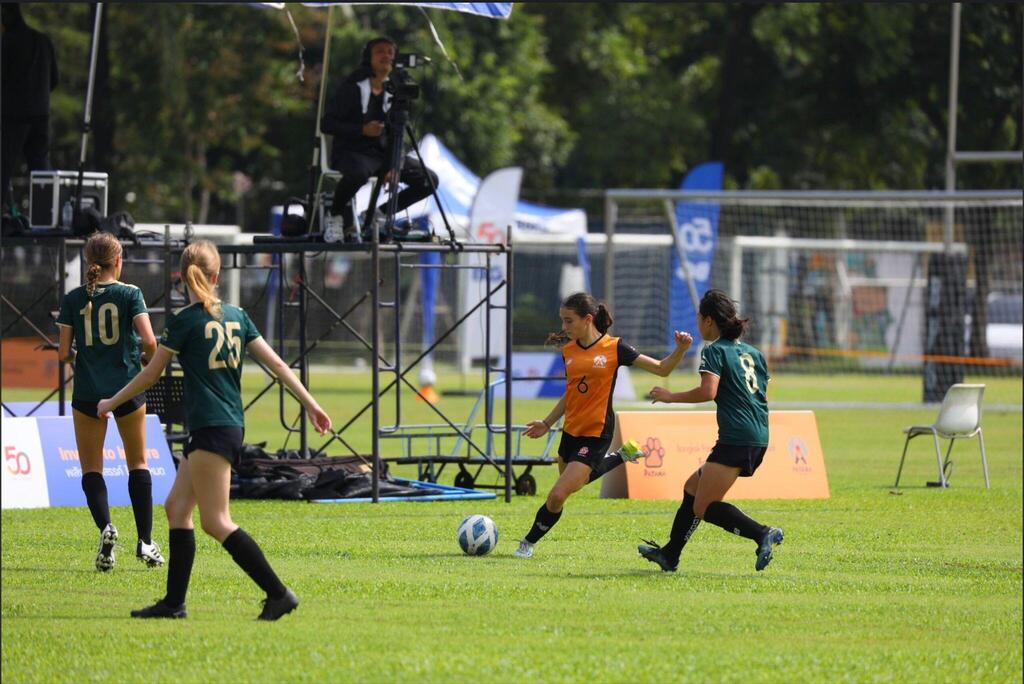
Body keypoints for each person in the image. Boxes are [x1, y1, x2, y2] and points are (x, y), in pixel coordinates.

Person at [97, 240, 332, 621]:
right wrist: (311, 404)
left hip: (211, 426)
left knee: (216, 521)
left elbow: (150, 374)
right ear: (217, 276)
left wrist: (110, 402)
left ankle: (279, 593)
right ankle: (174, 604)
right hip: (224, 425)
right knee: (177, 508)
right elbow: (278, 365)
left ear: (181, 278)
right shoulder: (237, 316)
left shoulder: (185, 321)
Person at [513, 292, 691, 559]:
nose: (564, 328)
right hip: (571, 430)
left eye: (568, 321)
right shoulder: (568, 350)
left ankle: (526, 544)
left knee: (557, 495)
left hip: (596, 433)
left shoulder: (615, 348)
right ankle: (623, 455)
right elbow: (571, 392)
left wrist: (680, 349)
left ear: (587, 319)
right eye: (562, 321)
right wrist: (547, 422)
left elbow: (662, 369)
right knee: (577, 483)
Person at [638, 289, 783, 573]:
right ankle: (670, 555)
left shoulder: (714, 350)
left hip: (736, 437)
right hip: (759, 434)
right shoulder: (754, 353)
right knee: (692, 488)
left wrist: (671, 397)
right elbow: (761, 395)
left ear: (707, 321)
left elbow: (708, 391)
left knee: (703, 507)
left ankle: (762, 533)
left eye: (698, 319)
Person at [56, 232, 163, 571]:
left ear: (91, 262)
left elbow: (62, 353)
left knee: (91, 469)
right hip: (127, 388)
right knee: (138, 463)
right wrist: (143, 364)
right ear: (119, 261)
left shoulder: (73, 298)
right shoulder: (131, 293)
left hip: (88, 393)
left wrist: (84, 361)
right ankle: (145, 543)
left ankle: (106, 529)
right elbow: (149, 341)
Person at [320, 36, 438, 243]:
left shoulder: (397, 90)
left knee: (428, 180)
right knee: (358, 173)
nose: (386, 56)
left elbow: (398, 134)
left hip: (383, 154)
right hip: (352, 151)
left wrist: (395, 165)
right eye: (380, 51)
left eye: (390, 52)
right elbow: (327, 124)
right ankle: (335, 216)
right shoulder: (352, 87)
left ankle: (377, 215)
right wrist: (362, 130)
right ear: (369, 57)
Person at [1, 3, 59, 215]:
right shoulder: (43, 41)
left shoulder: (7, 42)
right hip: (41, 114)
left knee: (4, 167)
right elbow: (55, 79)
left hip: (13, 116)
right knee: (41, 167)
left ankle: (5, 214)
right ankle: (47, 216)